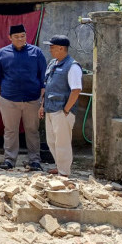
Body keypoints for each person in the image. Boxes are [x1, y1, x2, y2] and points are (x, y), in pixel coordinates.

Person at [0, 24, 47, 171]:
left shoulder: (36, 52)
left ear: (26, 36)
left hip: (33, 99)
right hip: (9, 99)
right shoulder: (2, 53)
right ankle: (10, 160)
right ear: (9, 37)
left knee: (32, 130)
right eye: (16, 36)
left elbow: (43, 77)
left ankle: (35, 160)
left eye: (22, 36)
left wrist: (42, 99)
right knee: (10, 130)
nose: (20, 39)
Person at [39, 35, 82, 177]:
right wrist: (42, 106)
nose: (50, 49)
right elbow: (47, 86)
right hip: (50, 108)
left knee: (62, 143)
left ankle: (64, 173)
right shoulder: (53, 63)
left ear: (61, 48)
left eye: (52, 47)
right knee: (52, 141)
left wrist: (66, 110)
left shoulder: (72, 66)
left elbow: (76, 90)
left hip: (62, 110)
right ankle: (59, 167)